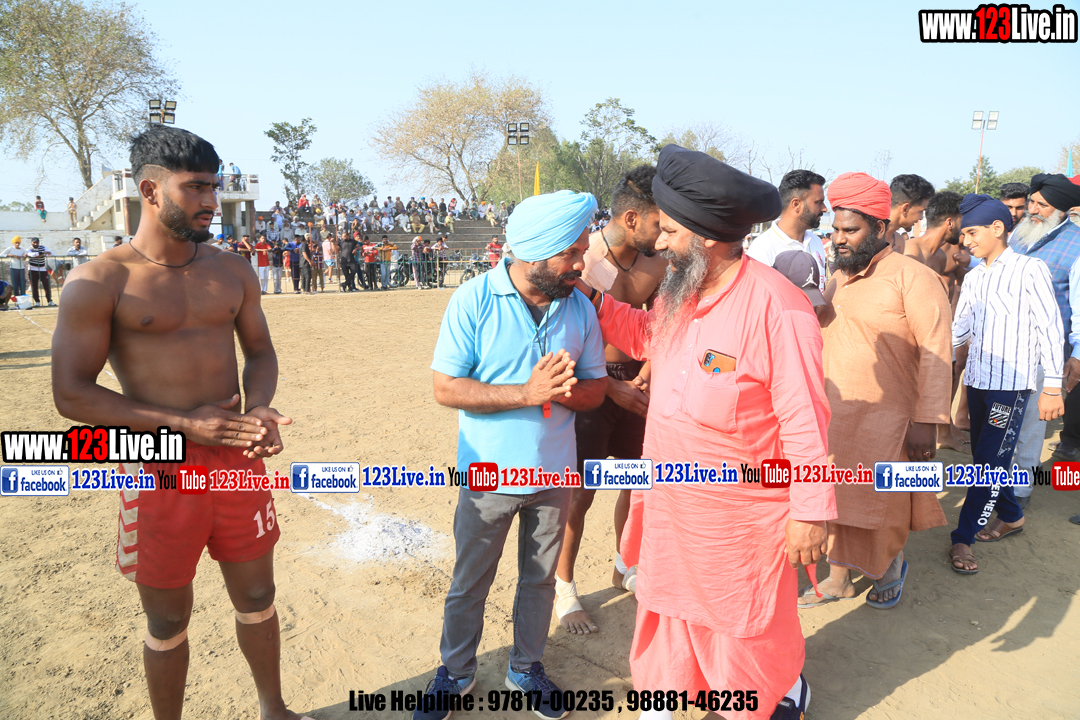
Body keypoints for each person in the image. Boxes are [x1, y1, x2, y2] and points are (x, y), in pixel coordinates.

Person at [50, 125, 307, 720]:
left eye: (214, 187)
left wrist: (259, 405)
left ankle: (273, 709)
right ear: (150, 190)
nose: (211, 201)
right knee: (167, 619)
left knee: (258, 593)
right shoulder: (99, 281)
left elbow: (260, 352)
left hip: (235, 460)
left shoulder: (232, 271)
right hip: (159, 466)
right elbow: (71, 395)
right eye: (195, 188)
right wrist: (183, 426)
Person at [578, 145, 834, 720]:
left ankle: (769, 696)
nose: (660, 243)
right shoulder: (682, 290)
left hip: (739, 518)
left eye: (670, 231)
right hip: (673, 504)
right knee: (666, 604)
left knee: (741, 622)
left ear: (708, 237)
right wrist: (590, 295)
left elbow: (805, 419)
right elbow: (645, 335)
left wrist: (810, 512)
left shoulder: (778, 308)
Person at [417, 190, 607, 720]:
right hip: (488, 477)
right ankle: (456, 672)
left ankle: (526, 667)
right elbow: (446, 388)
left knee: (540, 580)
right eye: (571, 253)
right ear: (535, 252)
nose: (581, 264)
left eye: (583, 250)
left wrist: (561, 390)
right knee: (469, 582)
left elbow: (595, 390)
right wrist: (527, 392)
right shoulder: (474, 300)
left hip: (555, 476)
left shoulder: (580, 307)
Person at [806, 172, 952, 610]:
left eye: (850, 230)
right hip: (835, 412)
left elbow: (936, 353)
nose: (839, 238)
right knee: (836, 495)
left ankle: (890, 567)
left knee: (883, 501)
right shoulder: (837, 276)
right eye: (835, 229)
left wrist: (927, 421)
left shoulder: (914, 277)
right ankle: (839, 578)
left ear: (881, 228)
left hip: (890, 419)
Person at [555, 164, 668, 636]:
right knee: (579, 493)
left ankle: (626, 565)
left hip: (637, 383)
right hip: (590, 384)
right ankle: (564, 588)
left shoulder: (660, 263)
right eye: (660, 222)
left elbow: (663, 327)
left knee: (638, 483)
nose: (666, 233)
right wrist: (607, 385)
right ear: (632, 218)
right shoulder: (584, 260)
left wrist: (645, 375)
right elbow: (564, 335)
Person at [948, 194, 1064, 572]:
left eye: (972, 233)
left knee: (988, 465)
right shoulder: (974, 276)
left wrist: (1053, 386)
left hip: (1010, 389)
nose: (966, 241)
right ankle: (1012, 515)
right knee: (987, 458)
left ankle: (963, 537)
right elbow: (960, 329)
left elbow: (1050, 328)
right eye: (964, 234)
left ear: (997, 228)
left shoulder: (1030, 269)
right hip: (978, 381)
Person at [1009, 175, 1080, 525]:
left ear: (1062, 210)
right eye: (1032, 202)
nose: (1033, 210)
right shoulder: (1018, 235)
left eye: (1042, 205)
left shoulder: (1077, 246)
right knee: (1002, 419)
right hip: (1004, 346)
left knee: (1032, 423)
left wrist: (1077, 355)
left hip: (1045, 352)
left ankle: (1020, 490)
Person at [902, 191, 970, 453]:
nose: (965, 229)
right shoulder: (909, 252)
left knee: (943, 379)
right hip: (909, 342)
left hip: (935, 337)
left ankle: (943, 432)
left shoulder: (940, 257)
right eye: (963, 221)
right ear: (950, 222)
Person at [746, 169, 828, 295]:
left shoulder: (815, 241)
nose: (824, 208)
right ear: (796, 204)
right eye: (818, 202)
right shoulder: (763, 249)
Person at [885, 174, 935, 254]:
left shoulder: (898, 241)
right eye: (920, 211)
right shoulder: (869, 236)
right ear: (905, 209)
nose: (921, 218)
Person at [25, 237, 55, 307]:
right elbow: (32, 255)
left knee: (47, 285)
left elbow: (51, 253)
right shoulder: (29, 249)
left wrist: (39, 254)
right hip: (32, 269)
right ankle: (37, 301)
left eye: (37, 243)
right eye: (34, 243)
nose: (35, 244)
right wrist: (43, 253)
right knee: (34, 286)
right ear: (31, 242)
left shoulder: (43, 247)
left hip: (42, 269)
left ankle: (49, 301)